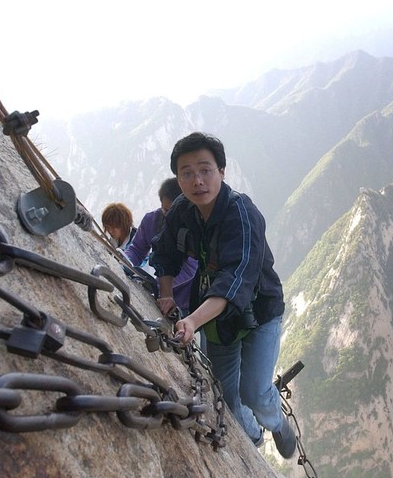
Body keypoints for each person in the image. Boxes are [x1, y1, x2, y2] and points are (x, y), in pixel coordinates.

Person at [150, 132, 296, 458]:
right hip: (219, 318)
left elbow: (235, 279)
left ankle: (277, 424)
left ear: (222, 171)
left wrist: (191, 320)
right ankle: (254, 440)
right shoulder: (182, 212)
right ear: (178, 178)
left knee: (255, 392)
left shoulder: (242, 214)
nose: (197, 180)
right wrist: (166, 294)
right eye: (187, 173)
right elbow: (164, 254)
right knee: (227, 397)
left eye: (205, 170)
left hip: (260, 310)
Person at [123, 178, 197, 315]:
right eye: (165, 209)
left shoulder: (193, 229)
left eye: (173, 211)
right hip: (162, 297)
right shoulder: (151, 220)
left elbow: (191, 267)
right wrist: (124, 262)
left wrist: (158, 285)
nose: (169, 216)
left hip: (189, 302)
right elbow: (137, 250)